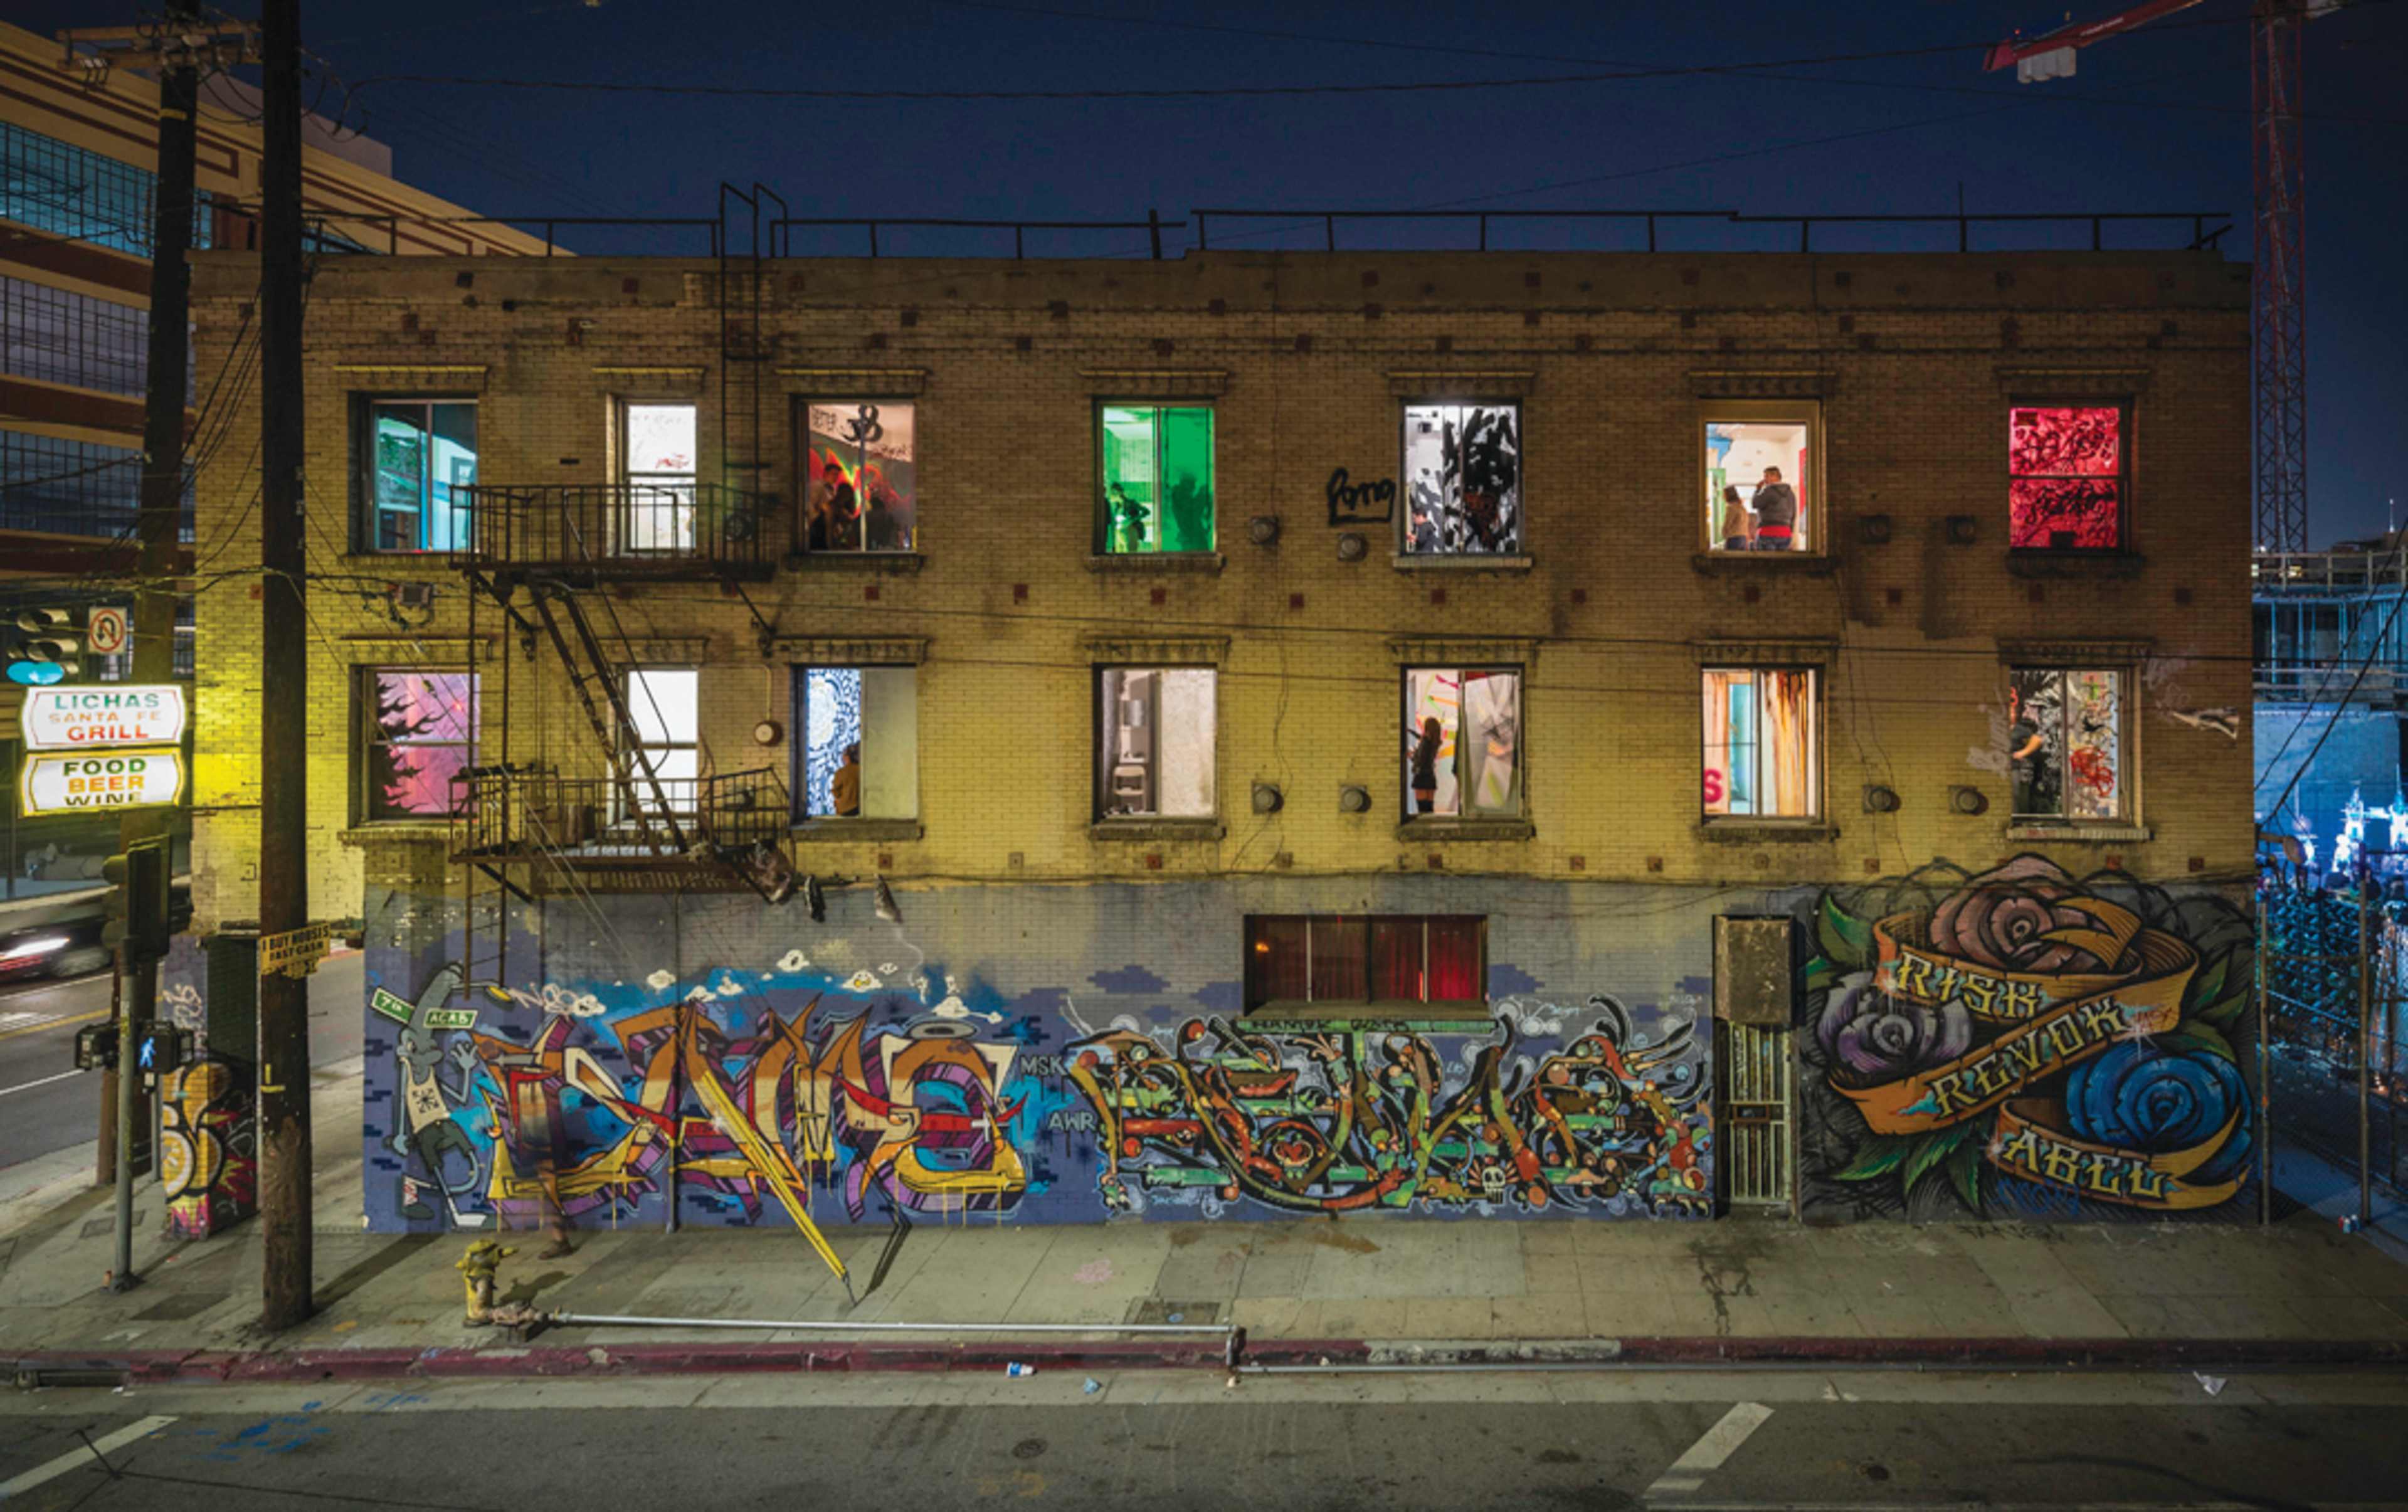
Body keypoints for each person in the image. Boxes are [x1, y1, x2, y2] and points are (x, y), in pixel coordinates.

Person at [2007, 684, 2057, 816]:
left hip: (2015, 768)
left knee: (2015, 796)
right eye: (2009, 712)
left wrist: (2023, 753)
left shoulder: (2019, 729)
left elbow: (2037, 740)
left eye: (2012, 712)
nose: (2011, 714)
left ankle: (2017, 817)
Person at [1751, 466, 1797, 551]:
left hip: (1768, 532)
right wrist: (1791, 531)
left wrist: (1757, 490)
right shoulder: (1791, 493)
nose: (1765, 479)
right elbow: (1794, 514)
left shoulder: (1769, 491)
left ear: (1775, 477)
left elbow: (1755, 504)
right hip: (1786, 533)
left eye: (1767, 476)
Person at [1409, 717, 1442, 815]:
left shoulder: (1425, 742)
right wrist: (1411, 731)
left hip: (1421, 777)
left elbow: (1421, 761)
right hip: (1430, 776)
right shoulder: (1435, 742)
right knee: (1429, 808)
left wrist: (1411, 757)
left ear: (1427, 728)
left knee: (1422, 809)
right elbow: (1421, 738)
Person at [830, 741, 862, 818]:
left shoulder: (841, 772)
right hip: (860, 808)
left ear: (847, 757)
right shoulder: (863, 771)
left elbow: (836, 792)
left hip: (845, 809)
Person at [1719, 484, 1753, 551]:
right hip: (1743, 538)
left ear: (1728, 495)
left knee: (1730, 561)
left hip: (1734, 539)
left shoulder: (1731, 508)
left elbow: (1727, 523)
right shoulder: (1742, 508)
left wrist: (1724, 534)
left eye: (1724, 494)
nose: (1722, 497)